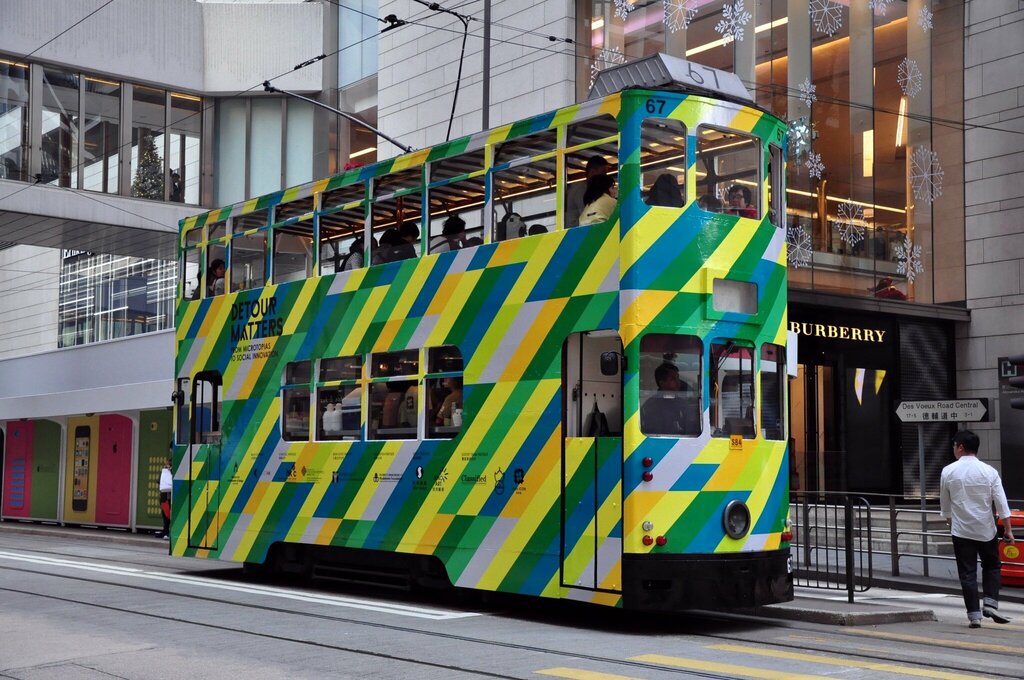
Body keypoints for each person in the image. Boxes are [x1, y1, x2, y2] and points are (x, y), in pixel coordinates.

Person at [940, 430, 1016, 628]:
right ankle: (990, 603)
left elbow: (945, 506)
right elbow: (1001, 503)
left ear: (960, 447)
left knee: (967, 573)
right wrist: (1008, 530)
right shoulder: (989, 471)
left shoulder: (948, 471)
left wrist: (951, 524)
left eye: (954, 445)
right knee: (992, 566)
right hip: (986, 530)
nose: (953, 449)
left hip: (961, 531)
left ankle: (974, 615)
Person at [640, 362, 700, 436]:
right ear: (662, 383)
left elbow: (691, 430)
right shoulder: (651, 406)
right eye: (673, 379)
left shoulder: (682, 403)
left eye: (678, 378)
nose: (678, 382)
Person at [566, 155, 609, 227]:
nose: (605, 177)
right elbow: (588, 214)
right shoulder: (580, 189)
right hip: (576, 229)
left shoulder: (584, 187)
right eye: (603, 173)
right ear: (592, 172)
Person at [158, 457, 172, 539]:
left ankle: (167, 532)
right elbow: (160, 481)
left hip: (169, 497)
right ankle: (165, 531)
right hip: (165, 497)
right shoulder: (165, 471)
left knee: (169, 515)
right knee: (165, 515)